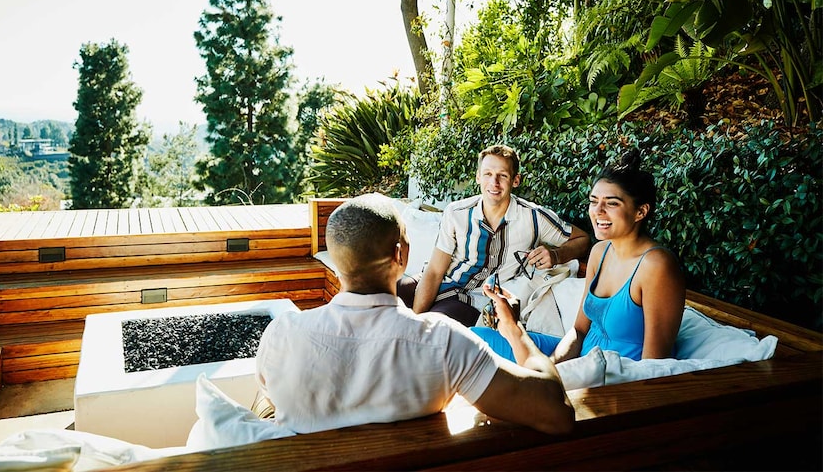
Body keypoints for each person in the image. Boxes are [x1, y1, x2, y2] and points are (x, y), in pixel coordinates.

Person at [255, 193, 575, 435]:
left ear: (336, 262)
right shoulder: (444, 342)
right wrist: (513, 328)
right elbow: (556, 414)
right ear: (400, 255)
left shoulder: (281, 334)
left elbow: (271, 405)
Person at [471, 149, 686, 362]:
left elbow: (654, 367)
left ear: (641, 211)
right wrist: (553, 366)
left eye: (612, 203)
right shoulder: (600, 252)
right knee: (474, 339)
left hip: (612, 379)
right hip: (581, 360)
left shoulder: (656, 266)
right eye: (594, 201)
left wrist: (553, 377)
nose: (598, 211)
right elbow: (579, 331)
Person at [411, 144, 590, 326]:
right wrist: (414, 321)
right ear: (478, 177)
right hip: (445, 282)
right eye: (488, 174)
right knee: (387, 295)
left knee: (436, 324)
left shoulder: (533, 217)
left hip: (478, 301)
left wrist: (556, 255)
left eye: (502, 175)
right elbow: (434, 271)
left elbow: (583, 239)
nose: (494, 183)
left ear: (515, 180)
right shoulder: (457, 213)